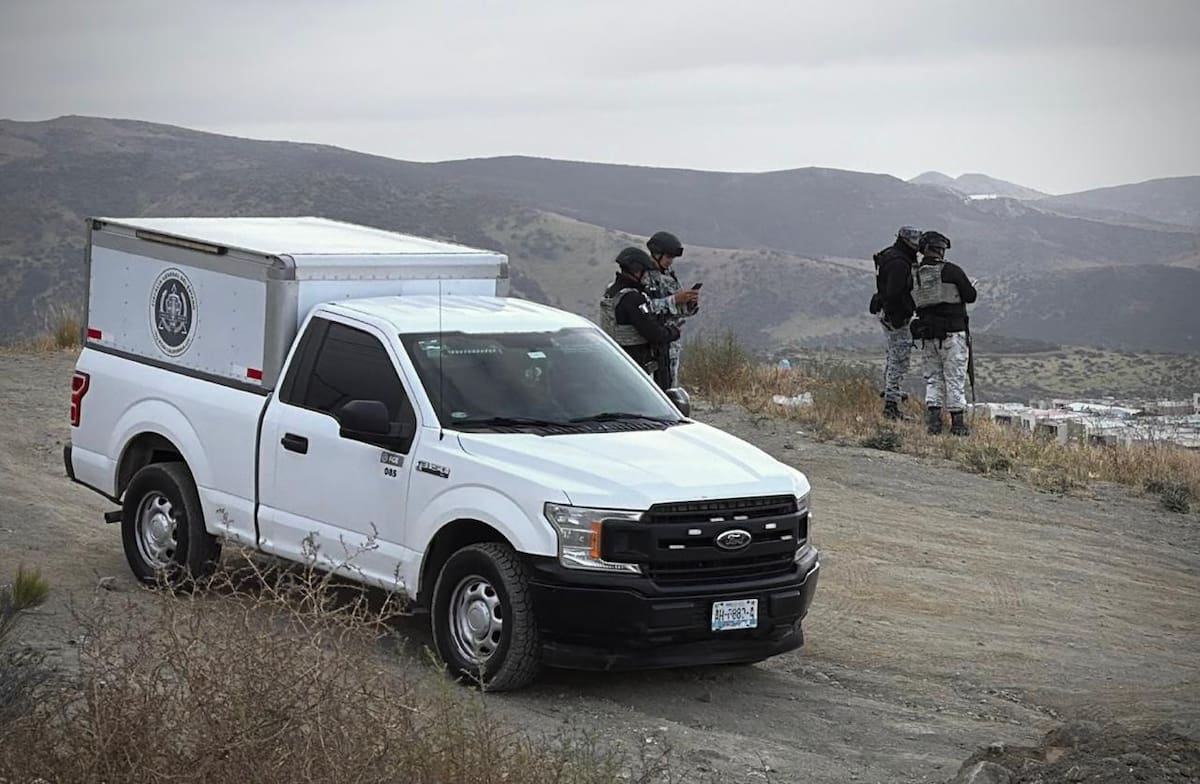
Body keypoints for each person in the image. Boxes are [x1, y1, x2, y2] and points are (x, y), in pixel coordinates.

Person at [909, 230, 977, 436]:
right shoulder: (952, 271)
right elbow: (970, 296)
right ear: (941, 250)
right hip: (953, 334)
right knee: (955, 378)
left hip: (928, 334)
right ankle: (957, 424)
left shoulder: (914, 275)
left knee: (933, 377)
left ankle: (934, 422)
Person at [599, 246, 681, 388]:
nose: (645, 276)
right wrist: (672, 332)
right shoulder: (632, 298)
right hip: (637, 362)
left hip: (615, 357)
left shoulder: (612, 292)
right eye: (644, 272)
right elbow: (653, 333)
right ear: (636, 270)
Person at [869, 226, 921, 419]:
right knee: (899, 360)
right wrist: (900, 315)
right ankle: (891, 405)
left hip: (888, 313)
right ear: (908, 241)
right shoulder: (900, 262)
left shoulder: (890, 256)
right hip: (896, 316)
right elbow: (894, 292)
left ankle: (891, 393)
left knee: (893, 356)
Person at [644, 231, 698, 389]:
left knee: (670, 386)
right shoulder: (644, 276)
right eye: (668, 258)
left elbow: (677, 309)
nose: (670, 262)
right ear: (656, 254)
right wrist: (673, 300)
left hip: (671, 341)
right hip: (652, 343)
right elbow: (645, 308)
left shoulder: (669, 275)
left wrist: (689, 304)